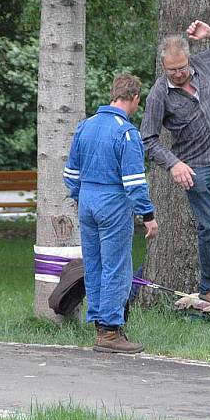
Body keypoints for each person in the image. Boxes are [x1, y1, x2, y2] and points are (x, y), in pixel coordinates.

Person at [140, 20, 210, 306]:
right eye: (171, 70)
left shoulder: (207, 63)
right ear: (163, 67)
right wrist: (173, 164)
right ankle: (209, 286)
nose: (178, 73)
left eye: (182, 67)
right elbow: (147, 139)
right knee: (208, 226)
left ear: (189, 58)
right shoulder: (159, 94)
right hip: (195, 168)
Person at [64, 73, 159, 353]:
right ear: (135, 99)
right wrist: (148, 215)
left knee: (93, 266)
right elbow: (134, 182)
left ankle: (98, 326)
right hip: (113, 203)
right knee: (116, 267)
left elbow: (70, 174)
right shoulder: (126, 133)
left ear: (113, 94)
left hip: (87, 202)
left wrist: (81, 197)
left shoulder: (85, 127)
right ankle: (110, 331)